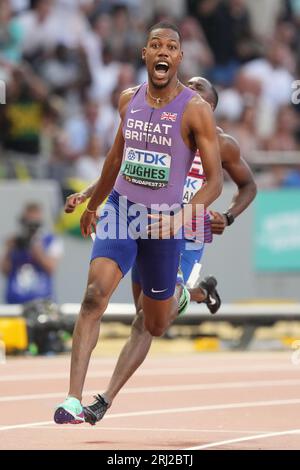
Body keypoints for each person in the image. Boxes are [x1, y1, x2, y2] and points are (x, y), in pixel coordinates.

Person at [54, 22, 223, 424]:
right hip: (122, 210)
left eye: (170, 47)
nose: (162, 52)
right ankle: (72, 400)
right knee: (95, 295)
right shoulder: (128, 100)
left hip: (165, 223)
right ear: (144, 55)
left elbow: (215, 182)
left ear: (179, 58)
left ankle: (186, 295)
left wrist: (185, 217)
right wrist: (93, 203)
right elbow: (116, 160)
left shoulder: (196, 110)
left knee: (155, 322)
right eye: (154, 45)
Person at [64, 76, 257, 425]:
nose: (186, 91)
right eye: (188, 86)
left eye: (197, 89)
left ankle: (104, 399)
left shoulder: (223, 145)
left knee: (150, 321)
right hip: (142, 223)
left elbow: (248, 185)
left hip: (185, 239)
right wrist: (91, 195)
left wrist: (227, 217)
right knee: (144, 311)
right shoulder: (163, 128)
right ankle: (197, 293)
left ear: (208, 109)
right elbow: (124, 163)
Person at [1, 202, 63, 304]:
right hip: (14, 303)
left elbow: (51, 268)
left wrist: (36, 248)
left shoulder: (51, 241)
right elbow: (4, 270)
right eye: (27, 223)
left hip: (42, 303)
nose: (31, 228)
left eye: (34, 224)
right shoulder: (14, 241)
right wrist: (9, 250)